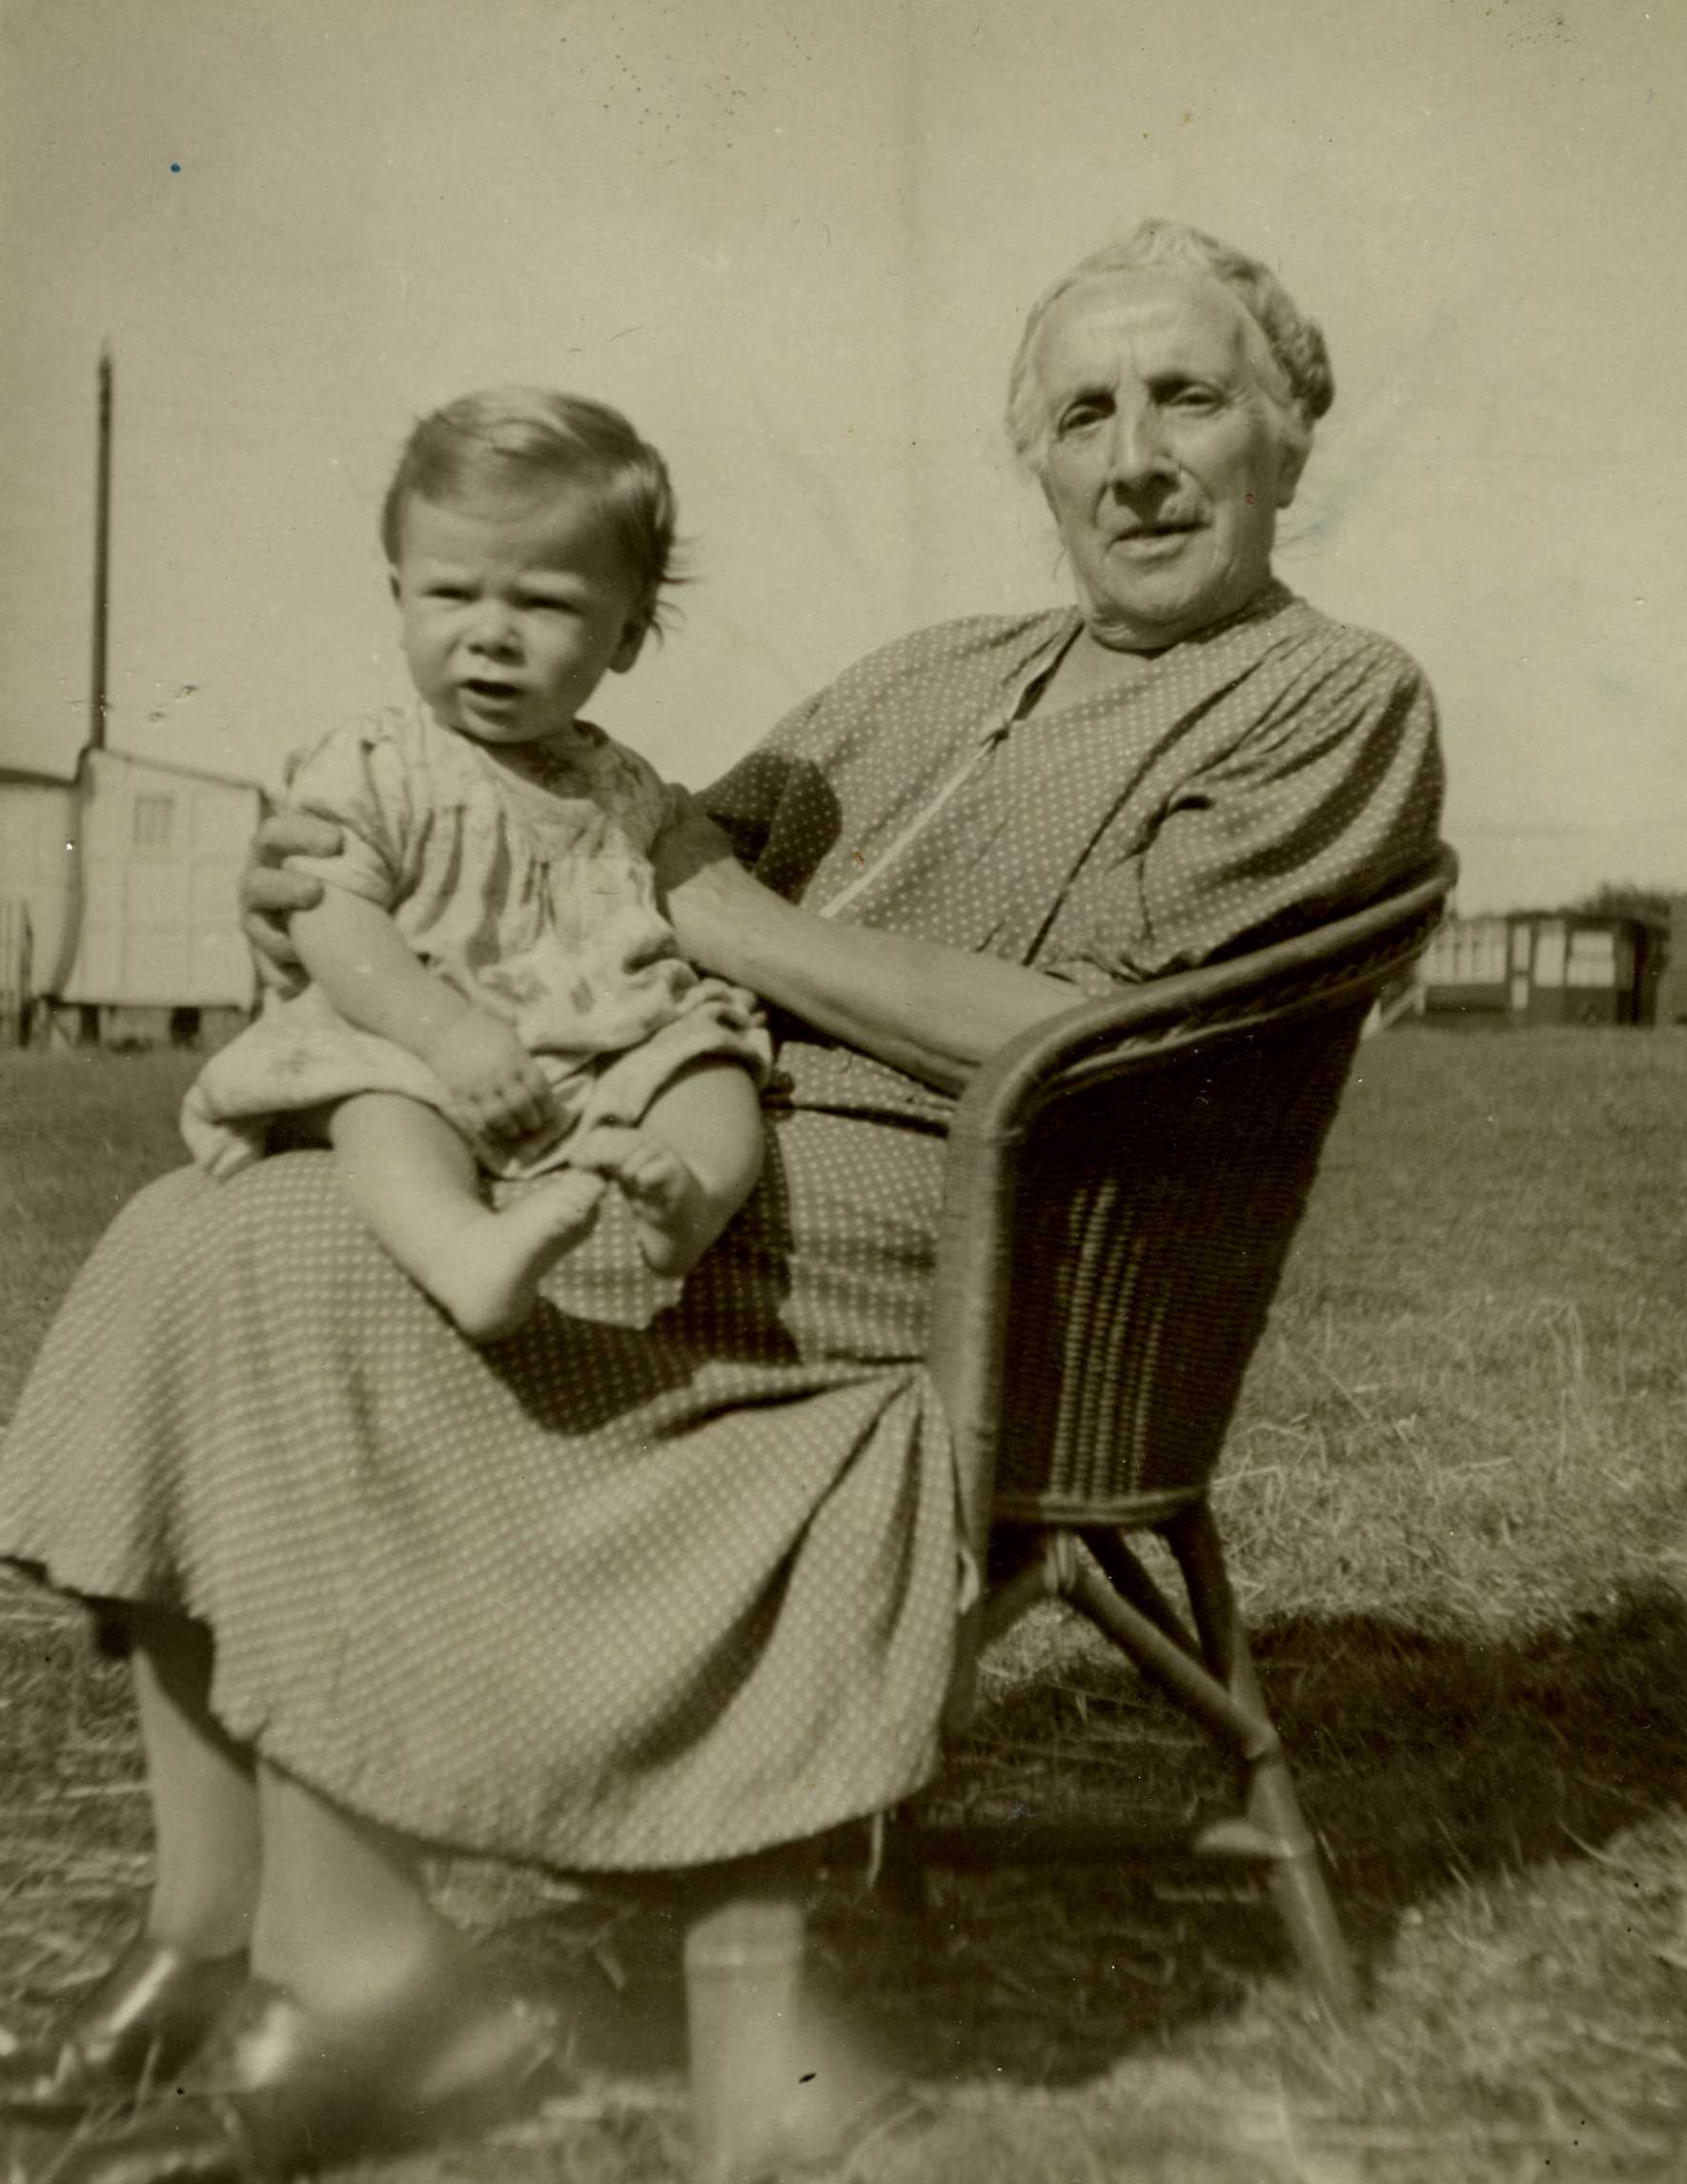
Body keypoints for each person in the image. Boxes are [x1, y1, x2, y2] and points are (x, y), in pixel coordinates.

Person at [0, 218, 1444, 2184]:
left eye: (1188, 397)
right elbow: (587, 823)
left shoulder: (1327, 699)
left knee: (313, 1250)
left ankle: (367, 1989)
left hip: (985, 1238)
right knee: (198, 1228)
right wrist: (333, 879)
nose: (1136, 456)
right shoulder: (928, 675)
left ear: (1290, 431)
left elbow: (1100, 1049)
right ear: (1030, 458)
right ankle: (210, 1922)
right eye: (1082, 411)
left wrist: (726, 926)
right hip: (694, 1146)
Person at [181, 389, 770, 1342]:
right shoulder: (376, 761)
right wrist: (446, 1033)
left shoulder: (633, 790)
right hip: (420, 1035)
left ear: (625, 635)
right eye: (452, 593)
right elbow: (330, 912)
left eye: (544, 604)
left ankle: (692, 1195)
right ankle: (461, 1249)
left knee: (711, 1062)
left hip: (601, 1038)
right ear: (399, 598)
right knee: (374, 1107)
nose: (491, 633)